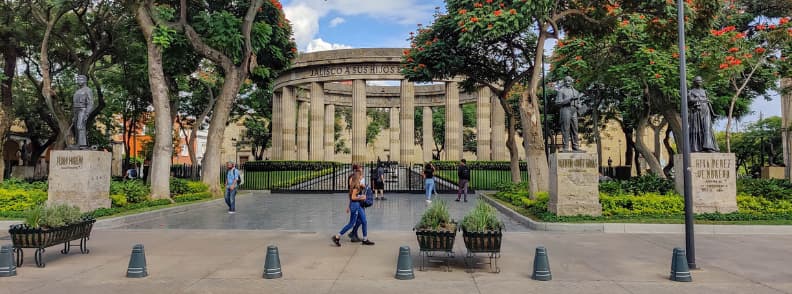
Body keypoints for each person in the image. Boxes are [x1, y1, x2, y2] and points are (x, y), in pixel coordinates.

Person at [332, 172, 374, 246]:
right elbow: (353, 197)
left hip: (358, 205)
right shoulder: (356, 187)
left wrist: (365, 187)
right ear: (358, 178)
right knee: (351, 224)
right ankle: (337, 236)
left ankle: (365, 239)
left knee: (364, 221)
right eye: (361, 176)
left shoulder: (357, 185)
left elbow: (362, 188)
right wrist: (361, 197)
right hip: (355, 205)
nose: (362, 177)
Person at [688, 76, 719, 153]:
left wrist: (713, 113)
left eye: (700, 81)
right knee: (697, 129)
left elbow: (708, 102)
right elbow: (689, 101)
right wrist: (700, 100)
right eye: (698, 81)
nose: (699, 82)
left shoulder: (704, 91)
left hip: (706, 110)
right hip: (696, 112)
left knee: (707, 128)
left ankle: (709, 147)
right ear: (694, 82)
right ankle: (698, 147)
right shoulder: (691, 91)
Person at [555, 76, 583, 152]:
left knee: (575, 129)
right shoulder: (561, 91)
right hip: (565, 110)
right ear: (564, 82)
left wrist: (580, 107)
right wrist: (569, 99)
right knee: (565, 129)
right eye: (566, 81)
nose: (567, 82)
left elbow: (579, 103)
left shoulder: (576, 92)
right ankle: (565, 147)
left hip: (574, 111)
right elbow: (558, 103)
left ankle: (576, 147)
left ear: (571, 81)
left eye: (569, 81)